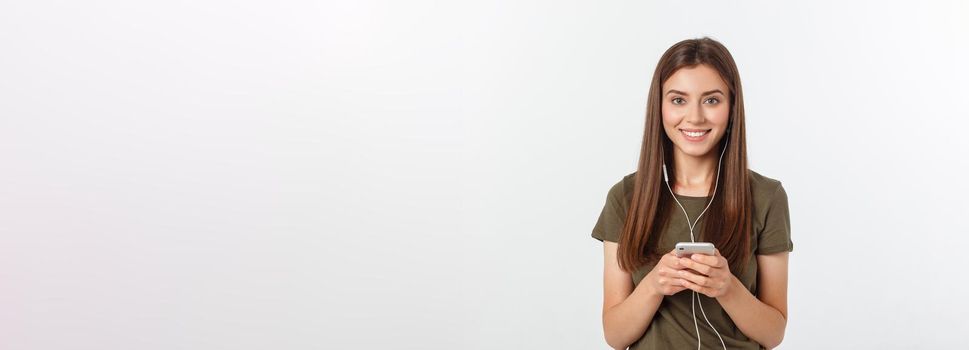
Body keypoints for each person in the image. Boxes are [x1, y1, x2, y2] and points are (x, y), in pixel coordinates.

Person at [591, 37, 793, 350]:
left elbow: (774, 332)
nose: (695, 117)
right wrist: (655, 285)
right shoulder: (625, 198)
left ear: (732, 107)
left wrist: (727, 288)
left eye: (712, 100)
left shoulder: (767, 197)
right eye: (678, 100)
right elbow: (615, 336)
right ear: (659, 107)